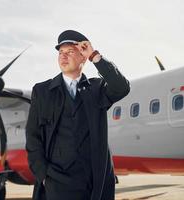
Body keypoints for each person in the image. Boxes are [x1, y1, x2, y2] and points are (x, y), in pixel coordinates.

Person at [26, 30, 130, 200]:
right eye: (60, 53)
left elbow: (122, 88)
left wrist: (95, 56)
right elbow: (33, 135)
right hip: (56, 180)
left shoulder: (97, 89)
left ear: (83, 57)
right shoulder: (42, 91)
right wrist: (43, 175)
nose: (63, 57)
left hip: (93, 180)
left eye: (70, 52)